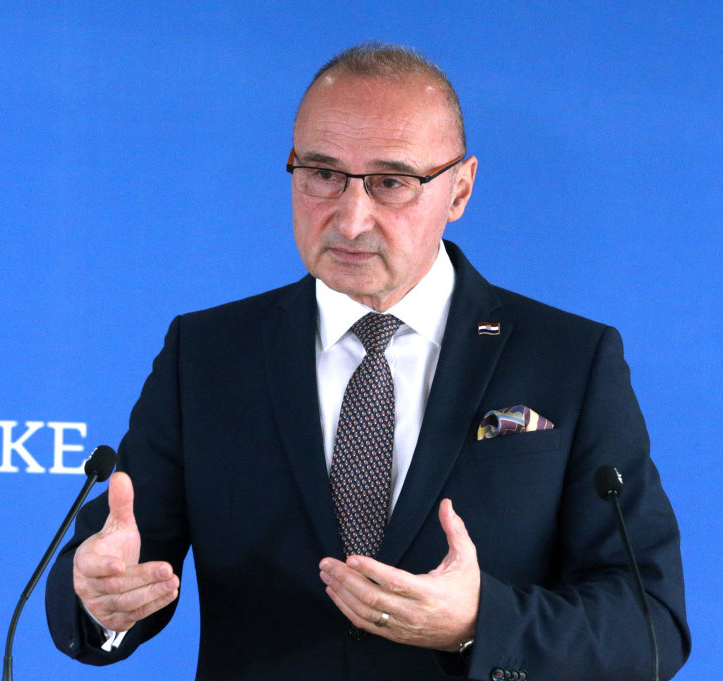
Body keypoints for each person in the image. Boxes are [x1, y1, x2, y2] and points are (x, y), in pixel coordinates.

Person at [45, 43, 690, 681]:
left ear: (460, 189)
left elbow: (649, 621)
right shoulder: (207, 354)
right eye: (323, 174)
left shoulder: (570, 360)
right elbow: (114, 562)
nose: (352, 220)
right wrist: (99, 599)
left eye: (392, 183)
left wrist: (478, 623)